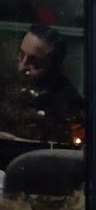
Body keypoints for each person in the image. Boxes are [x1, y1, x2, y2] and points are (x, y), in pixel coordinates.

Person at [0, 23, 86, 162]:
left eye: (34, 63)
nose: (22, 67)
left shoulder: (68, 105)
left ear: (53, 67)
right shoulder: (7, 83)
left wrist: (14, 141)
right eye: (21, 55)